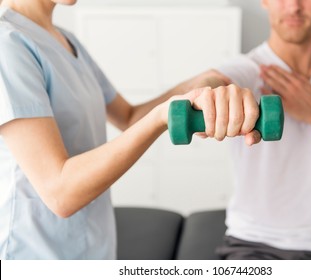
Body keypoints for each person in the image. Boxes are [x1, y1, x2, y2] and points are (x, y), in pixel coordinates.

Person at [0, 0, 261, 259]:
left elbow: (129, 117)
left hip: (93, 252)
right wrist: (164, 115)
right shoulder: (7, 42)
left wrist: (199, 85)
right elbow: (60, 193)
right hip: (34, 256)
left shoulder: (67, 41)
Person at [188, 0, 311, 259]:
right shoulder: (247, 69)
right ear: (265, 2)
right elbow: (215, 80)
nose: (294, 6)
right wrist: (210, 92)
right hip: (253, 243)